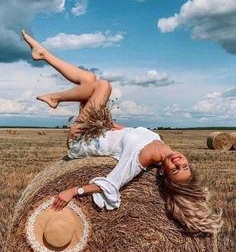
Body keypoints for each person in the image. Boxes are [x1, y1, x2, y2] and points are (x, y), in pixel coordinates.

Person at [22, 30, 222, 236]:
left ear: (163, 171)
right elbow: (122, 131)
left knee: (102, 86)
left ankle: (53, 91)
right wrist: (101, 118)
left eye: (175, 169)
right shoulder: (156, 140)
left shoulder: (142, 158)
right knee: (89, 80)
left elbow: (111, 184)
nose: (179, 162)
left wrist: (74, 191)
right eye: (184, 165)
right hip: (97, 129)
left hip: (82, 139)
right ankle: (43, 56)